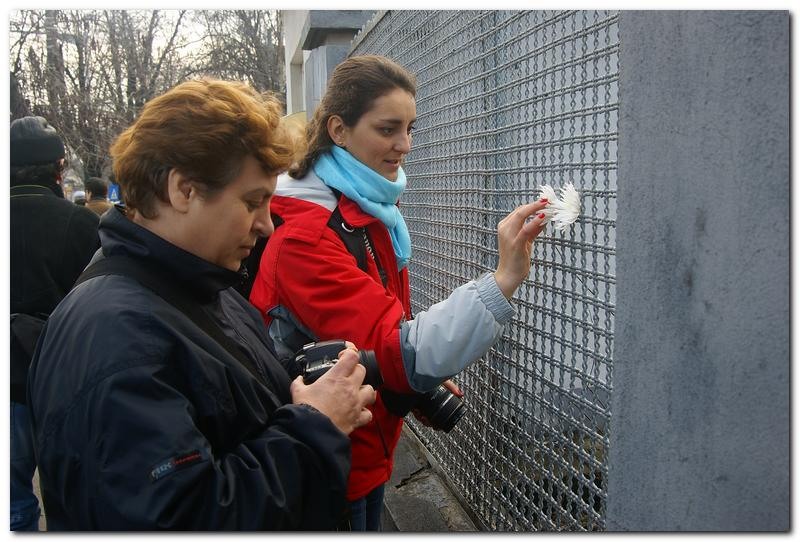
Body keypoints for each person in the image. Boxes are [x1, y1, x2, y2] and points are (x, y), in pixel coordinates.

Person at [27, 78, 376, 530]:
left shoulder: (197, 286)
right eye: (253, 202)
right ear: (183, 190)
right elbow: (184, 519)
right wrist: (315, 426)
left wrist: (314, 378)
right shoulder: (117, 337)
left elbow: (224, 395)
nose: (267, 225)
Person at [247, 55, 550, 531]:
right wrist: (503, 279)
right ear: (338, 130)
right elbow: (392, 346)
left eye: (410, 128)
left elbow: (374, 333)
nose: (405, 145)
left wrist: (413, 390)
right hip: (332, 465)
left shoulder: (364, 208)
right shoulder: (308, 236)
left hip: (365, 447)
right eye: (387, 129)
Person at [10, 116, 101, 531]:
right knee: (72, 495)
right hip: (66, 375)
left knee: (11, 504)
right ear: (59, 168)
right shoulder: (81, 223)